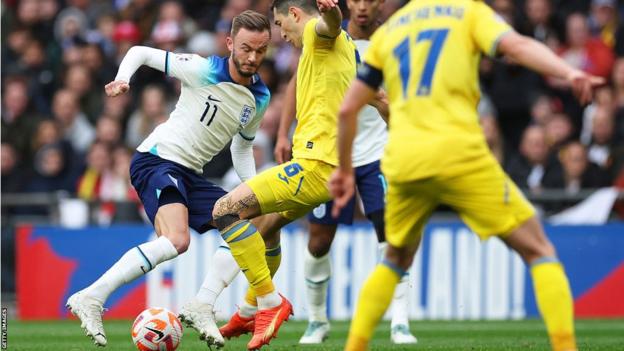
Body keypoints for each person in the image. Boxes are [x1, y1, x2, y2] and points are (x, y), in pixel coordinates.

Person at [329, 1, 604, 350]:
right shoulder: (468, 12)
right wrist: (568, 72)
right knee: (539, 250)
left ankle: (354, 346)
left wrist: (342, 169)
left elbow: (347, 109)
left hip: (404, 158)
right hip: (458, 152)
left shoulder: (393, 29)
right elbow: (517, 47)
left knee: (395, 259)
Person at [65, 10, 272, 349]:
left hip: (190, 173)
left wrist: (255, 189)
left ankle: (203, 303)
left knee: (251, 222)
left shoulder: (259, 97)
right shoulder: (203, 68)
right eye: (246, 48)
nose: (253, 57)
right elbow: (140, 53)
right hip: (157, 160)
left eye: (261, 50)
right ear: (231, 43)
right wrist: (123, 79)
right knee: (178, 240)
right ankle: (91, 296)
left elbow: (243, 147)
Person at [178, 0, 358, 349]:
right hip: (325, 166)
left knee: (225, 211)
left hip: (316, 166)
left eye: (278, 24)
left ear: (293, 14)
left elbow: (328, 25)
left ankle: (270, 301)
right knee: (266, 227)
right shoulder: (336, 50)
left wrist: (330, 12)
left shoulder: (317, 33)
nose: (280, 35)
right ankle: (247, 310)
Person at [271, 0, 416, 344]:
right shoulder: (329, 34)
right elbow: (296, 82)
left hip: (379, 149)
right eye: (357, 0)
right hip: (333, 152)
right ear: (348, 3)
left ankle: (400, 320)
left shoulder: (395, 40)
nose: (363, 7)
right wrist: (281, 132)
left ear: (382, 3)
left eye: (370, 0)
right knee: (319, 239)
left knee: (390, 231)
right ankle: (317, 320)